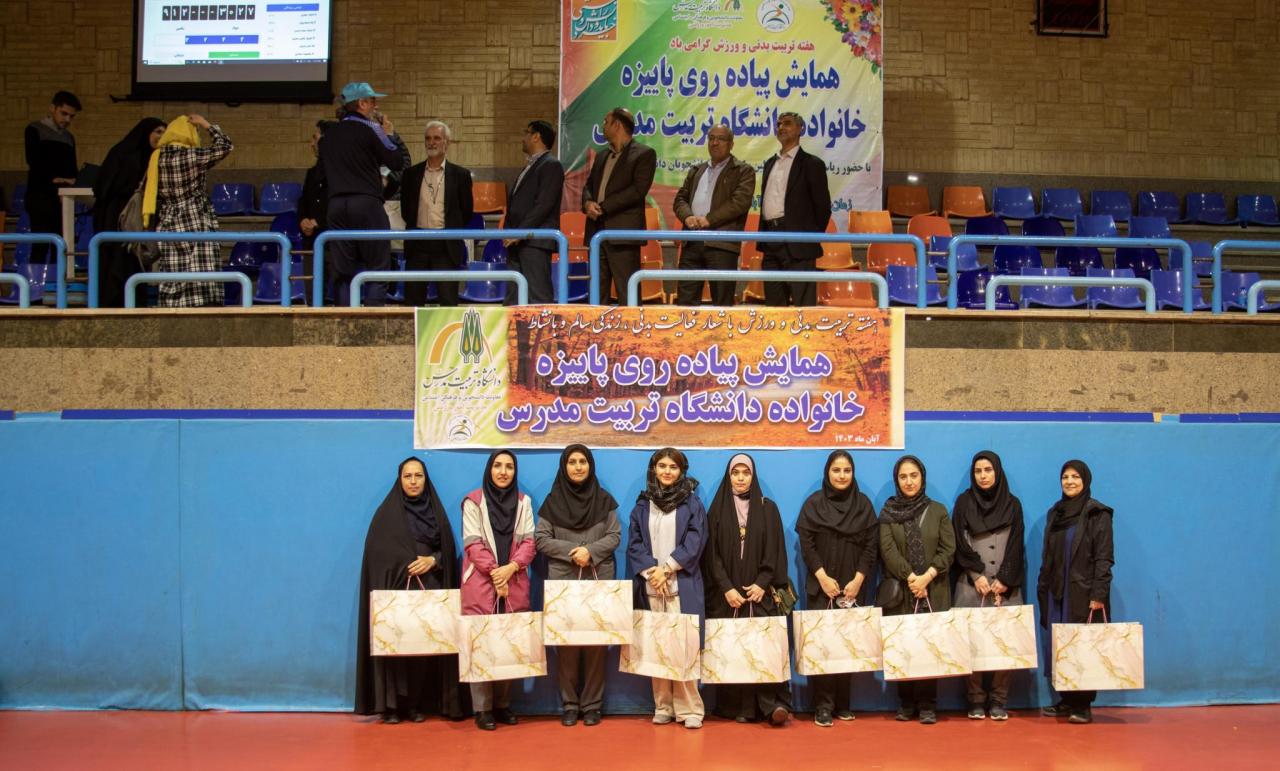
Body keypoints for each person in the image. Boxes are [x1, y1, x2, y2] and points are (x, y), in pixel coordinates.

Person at [355, 457, 469, 723]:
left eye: (419, 476)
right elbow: (377, 557)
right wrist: (401, 565)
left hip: (428, 590)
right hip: (395, 592)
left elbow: (447, 550)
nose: (414, 481)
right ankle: (392, 707)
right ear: (400, 480)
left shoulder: (435, 513)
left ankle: (416, 704)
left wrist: (432, 561)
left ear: (425, 479)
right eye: (408, 476)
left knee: (422, 648)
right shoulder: (386, 515)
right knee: (394, 648)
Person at [534, 444, 621, 727]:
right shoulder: (552, 502)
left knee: (596, 642)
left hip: (598, 579)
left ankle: (593, 705)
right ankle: (570, 704)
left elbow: (614, 535)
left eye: (583, 461)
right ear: (564, 466)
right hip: (563, 581)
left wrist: (590, 552)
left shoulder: (605, 500)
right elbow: (541, 539)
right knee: (567, 643)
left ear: (590, 466)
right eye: (572, 462)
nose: (578, 467)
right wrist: (573, 552)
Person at [702, 454, 792, 725]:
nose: (741, 478)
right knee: (733, 649)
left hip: (759, 593)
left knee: (763, 648)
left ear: (753, 476)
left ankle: (771, 707)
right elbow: (711, 555)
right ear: (728, 476)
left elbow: (775, 549)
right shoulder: (717, 510)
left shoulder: (767, 508)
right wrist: (727, 588)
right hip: (727, 596)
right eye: (735, 473)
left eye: (746, 472)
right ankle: (737, 707)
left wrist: (762, 583)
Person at [796, 450, 878, 727]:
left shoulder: (863, 506)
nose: (842, 476)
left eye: (846, 470)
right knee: (823, 645)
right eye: (836, 470)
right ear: (827, 473)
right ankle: (822, 706)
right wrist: (821, 577)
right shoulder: (814, 504)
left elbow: (871, 546)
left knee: (848, 645)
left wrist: (858, 580)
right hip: (822, 586)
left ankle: (843, 704)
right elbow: (807, 544)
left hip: (853, 586)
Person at [625, 447, 707, 729]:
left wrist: (667, 568)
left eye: (673, 467)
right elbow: (635, 543)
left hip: (681, 584)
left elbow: (696, 540)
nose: (667, 471)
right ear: (654, 469)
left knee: (684, 648)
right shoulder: (642, 504)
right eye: (662, 466)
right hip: (652, 586)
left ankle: (690, 709)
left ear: (681, 471)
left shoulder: (692, 503)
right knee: (657, 646)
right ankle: (663, 706)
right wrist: (652, 573)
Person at [461, 450, 536, 730]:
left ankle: (503, 705)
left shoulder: (524, 502)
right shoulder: (473, 502)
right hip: (481, 583)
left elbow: (530, 543)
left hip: (513, 581)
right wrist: (496, 572)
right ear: (489, 469)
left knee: (508, 641)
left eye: (509, 467)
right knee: (481, 642)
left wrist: (510, 569)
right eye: (498, 466)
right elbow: (472, 544)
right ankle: (482, 709)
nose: (503, 472)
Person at [878, 455, 956, 725]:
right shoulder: (888, 512)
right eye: (903, 477)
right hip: (902, 591)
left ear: (922, 478)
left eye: (913, 476)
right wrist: (912, 578)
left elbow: (948, 549)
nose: (909, 481)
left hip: (934, 589)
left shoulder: (938, 511)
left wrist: (927, 577)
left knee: (929, 645)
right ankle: (906, 703)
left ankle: (927, 705)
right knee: (904, 645)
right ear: (896, 480)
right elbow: (887, 550)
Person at [1037, 459, 1114, 725]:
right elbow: (1048, 554)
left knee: (1083, 647)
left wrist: (1099, 594)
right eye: (1065, 477)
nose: (1069, 481)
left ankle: (1083, 705)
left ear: (1086, 480)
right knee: (1061, 645)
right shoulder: (1055, 513)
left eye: (1075, 477)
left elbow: (1104, 558)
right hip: (1056, 591)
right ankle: (1067, 699)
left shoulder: (1097, 513)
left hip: (1082, 592)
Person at [952, 450, 1026, 721]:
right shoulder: (964, 503)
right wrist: (977, 575)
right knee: (971, 643)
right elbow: (959, 541)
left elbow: (1016, 544)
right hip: (972, 584)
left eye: (988, 470)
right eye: (978, 471)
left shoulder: (1013, 505)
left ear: (997, 472)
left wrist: (1004, 579)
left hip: (1005, 586)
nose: (983, 476)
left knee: (1005, 642)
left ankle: (998, 700)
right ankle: (975, 699)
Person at [319, 82, 407, 306]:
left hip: (336, 206)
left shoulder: (327, 136)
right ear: (362, 103)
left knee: (342, 271)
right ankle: (372, 320)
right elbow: (396, 161)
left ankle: (344, 319)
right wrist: (389, 135)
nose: (376, 106)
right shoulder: (372, 128)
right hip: (366, 203)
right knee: (378, 267)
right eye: (373, 101)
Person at [141, 115, 233, 307]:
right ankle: (201, 308)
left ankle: (173, 308)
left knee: (173, 271)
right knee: (200, 271)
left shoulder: (156, 158)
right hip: (194, 218)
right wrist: (206, 124)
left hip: (168, 221)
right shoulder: (191, 156)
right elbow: (225, 146)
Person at [671, 125, 756, 306]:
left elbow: (739, 203)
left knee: (722, 306)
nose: (715, 143)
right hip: (691, 243)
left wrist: (709, 220)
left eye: (721, 139)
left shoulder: (743, 171)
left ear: (731, 144)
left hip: (722, 245)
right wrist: (687, 217)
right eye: (711, 138)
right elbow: (680, 199)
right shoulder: (697, 170)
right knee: (685, 304)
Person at [582, 108, 656, 304]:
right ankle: (598, 324)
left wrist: (603, 207)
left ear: (617, 125)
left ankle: (632, 325)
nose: (603, 126)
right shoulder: (601, 156)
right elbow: (589, 185)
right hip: (596, 232)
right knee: (597, 292)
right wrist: (588, 203)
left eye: (606, 122)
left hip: (623, 234)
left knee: (627, 292)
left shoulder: (644, 154)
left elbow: (638, 190)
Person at [759, 111, 831, 307]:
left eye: (787, 123)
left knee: (803, 307)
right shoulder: (770, 163)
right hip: (770, 240)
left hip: (799, 243)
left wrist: (807, 238)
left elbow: (823, 208)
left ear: (800, 129)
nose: (781, 127)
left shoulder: (812, 164)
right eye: (779, 124)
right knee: (774, 308)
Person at [91, 117, 165, 307]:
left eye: (164, 132)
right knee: (115, 261)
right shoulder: (123, 153)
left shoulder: (154, 157)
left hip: (135, 218)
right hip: (115, 217)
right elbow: (104, 186)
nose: (161, 136)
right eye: (157, 131)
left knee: (133, 260)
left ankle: (133, 303)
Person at [401, 120, 473, 307]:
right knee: (413, 302)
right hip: (417, 244)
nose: (431, 142)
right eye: (428, 138)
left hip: (446, 246)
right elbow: (406, 210)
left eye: (437, 138)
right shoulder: (411, 174)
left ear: (446, 143)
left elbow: (466, 211)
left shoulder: (461, 175)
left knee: (448, 301)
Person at [503, 120, 565, 305]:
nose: (523, 138)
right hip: (517, 243)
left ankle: (543, 327)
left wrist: (520, 232)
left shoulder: (551, 165)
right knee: (513, 299)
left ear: (536, 136)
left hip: (534, 242)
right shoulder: (531, 166)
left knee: (537, 298)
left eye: (526, 133)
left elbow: (543, 205)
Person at [24, 90, 81, 264]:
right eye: (64, 113)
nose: (67, 119)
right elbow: (33, 160)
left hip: (63, 198)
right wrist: (54, 179)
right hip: (40, 196)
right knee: (40, 245)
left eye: (71, 116)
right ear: (52, 108)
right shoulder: (34, 129)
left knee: (61, 247)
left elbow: (72, 169)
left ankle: (59, 281)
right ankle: (36, 281)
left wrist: (71, 181)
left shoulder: (69, 137)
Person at [298, 119, 337, 250]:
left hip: (334, 241)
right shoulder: (312, 173)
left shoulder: (342, 173)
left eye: (315, 138)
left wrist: (319, 222)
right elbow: (304, 200)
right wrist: (303, 219)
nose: (312, 144)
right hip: (312, 241)